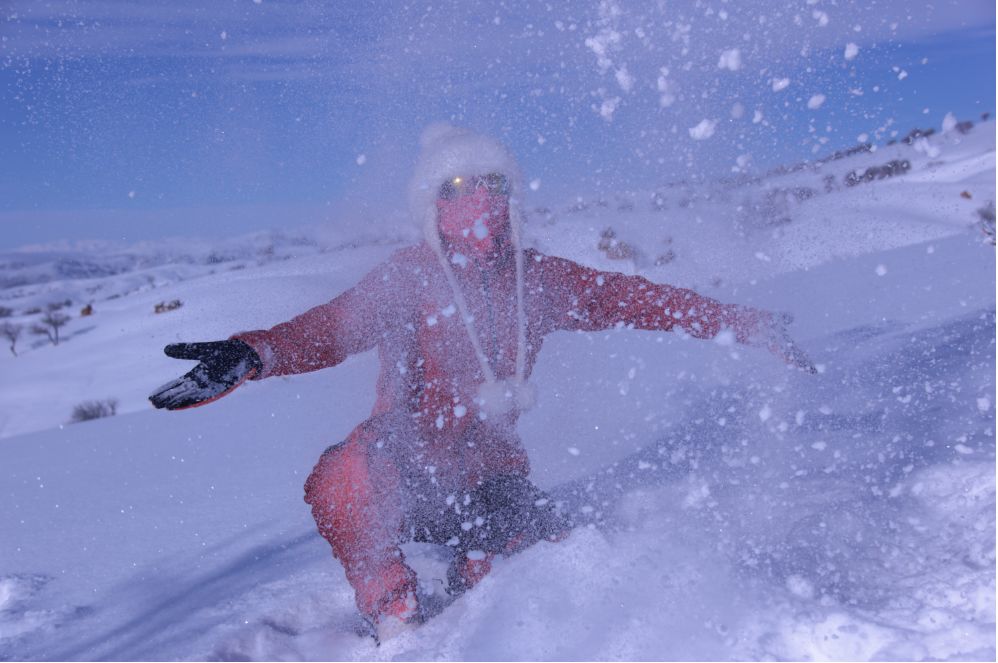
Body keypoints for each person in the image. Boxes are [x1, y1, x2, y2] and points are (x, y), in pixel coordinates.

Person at [149, 125, 814, 640]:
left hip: (491, 477)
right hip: (402, 470)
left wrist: (743, 321)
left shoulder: (541, 282)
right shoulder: (406, 280)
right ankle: (393, 609)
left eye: (491, 184)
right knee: (339, 475)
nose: (478, 201)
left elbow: (636, 300)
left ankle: (483, 575)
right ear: (431, 206)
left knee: (538, 563)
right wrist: (250, 353)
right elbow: (328, 329)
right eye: (458, 187)